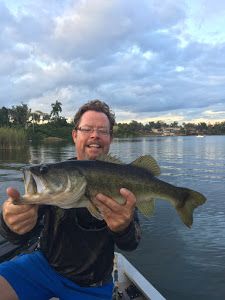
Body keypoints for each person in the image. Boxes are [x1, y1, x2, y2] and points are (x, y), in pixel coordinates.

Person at [0, 100, 141, 300]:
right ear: (75, 135)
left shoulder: (123, 180)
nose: (95, 135)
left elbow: (131, 243)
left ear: (110, 138)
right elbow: (20, 236)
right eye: (87, 129)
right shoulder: (56, 176)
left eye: (103, 130)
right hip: (43, 267)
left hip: (92, 284)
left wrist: (123, 227)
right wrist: (10, 224)